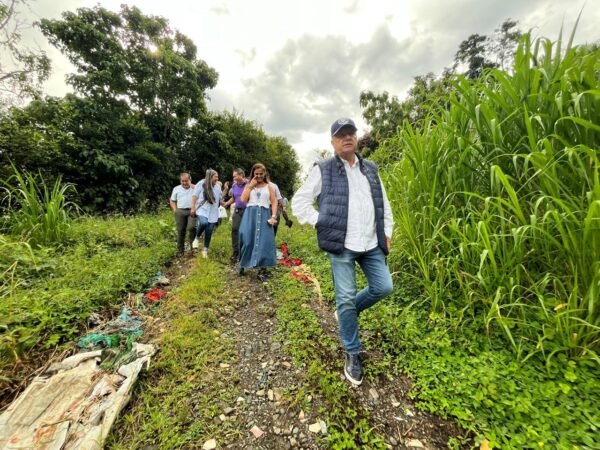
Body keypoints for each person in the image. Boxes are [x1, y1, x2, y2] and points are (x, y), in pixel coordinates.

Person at [292, 117, 394, 386]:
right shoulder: (323, 169)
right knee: (346, 297)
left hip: (371, 243)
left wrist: (388, 231)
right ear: (333, 142)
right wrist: (320, 221)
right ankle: (353, 352)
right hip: (342, 245)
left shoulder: (370, 169)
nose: (347, 137)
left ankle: (346, 312)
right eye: (341, 134)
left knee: (383, 287)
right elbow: (299, 202)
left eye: (351, 132)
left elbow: (383, 202)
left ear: (357, 137)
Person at [238, 163, 278, 277]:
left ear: (265, 173)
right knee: (246, 239)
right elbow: (243, 200)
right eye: (256, 174)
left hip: (265, 214)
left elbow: (274, 201)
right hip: (250, 214)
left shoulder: (269, 186)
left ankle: (263, 268)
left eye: (261, 174)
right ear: (253, 174)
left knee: (264, 241)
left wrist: (273, 216)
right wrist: (250, 186)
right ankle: (243, 263)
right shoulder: (249, 185)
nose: (259, 176)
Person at [191, 169, 222, 258]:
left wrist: (226, 190)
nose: (217, 178)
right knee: (203, 223)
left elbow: (220, 198)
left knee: (209, 231)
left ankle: (205, 251)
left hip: (213, 211)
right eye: (215, 176)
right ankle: (196, 238)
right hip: (202, 209)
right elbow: (194, 196)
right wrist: (193, 208)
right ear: (210, 176)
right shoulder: (201, 184)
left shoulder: (218, 186)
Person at [221, 168, 248, 263]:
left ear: (241, 175)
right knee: (235, 229)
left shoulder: (249, 184)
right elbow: (234, 197)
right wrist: (227, 203)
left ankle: (245, 252)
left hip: (247, 211)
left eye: (234, 176)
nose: (233, 178)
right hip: (237, 210)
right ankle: (235, 252)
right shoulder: (234, 185)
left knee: (245, 232)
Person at [169, 172, 196, 257]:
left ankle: (193, 249)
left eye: (186, 181)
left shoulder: (195, 188)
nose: (184, 183)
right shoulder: (176, 189)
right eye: (182, 181)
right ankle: (180, 250)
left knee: (192, 228)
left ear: (190, 180)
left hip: (192, 211)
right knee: (181, 230)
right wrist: (175, 210)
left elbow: (201, 197)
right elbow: (172, 200)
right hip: (180, 211)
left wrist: (194, 208)